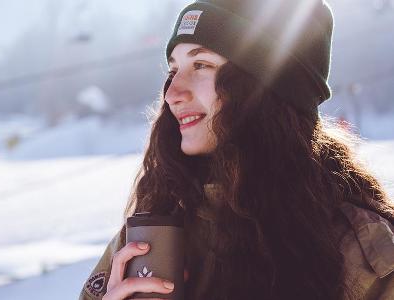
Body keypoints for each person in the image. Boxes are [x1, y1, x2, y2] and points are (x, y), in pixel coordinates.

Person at [80, 0, 394, 299]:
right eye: (173, 70)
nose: (172, 93)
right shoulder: (158, 226)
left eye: (201, 64)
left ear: (264, 88)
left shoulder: (363, 252)